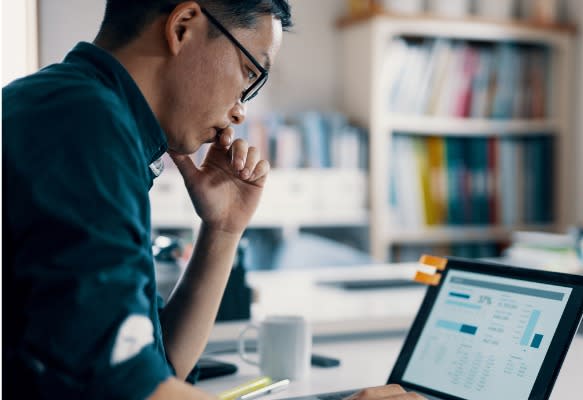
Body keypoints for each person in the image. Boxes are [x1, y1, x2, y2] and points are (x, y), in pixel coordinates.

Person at [2, 1, 422, 399]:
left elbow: (157, 370)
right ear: (183, 25)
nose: (240, 112)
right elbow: (126, 391)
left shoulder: (85, 114)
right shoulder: (82, 126)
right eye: (249, 72)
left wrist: (222, 229)